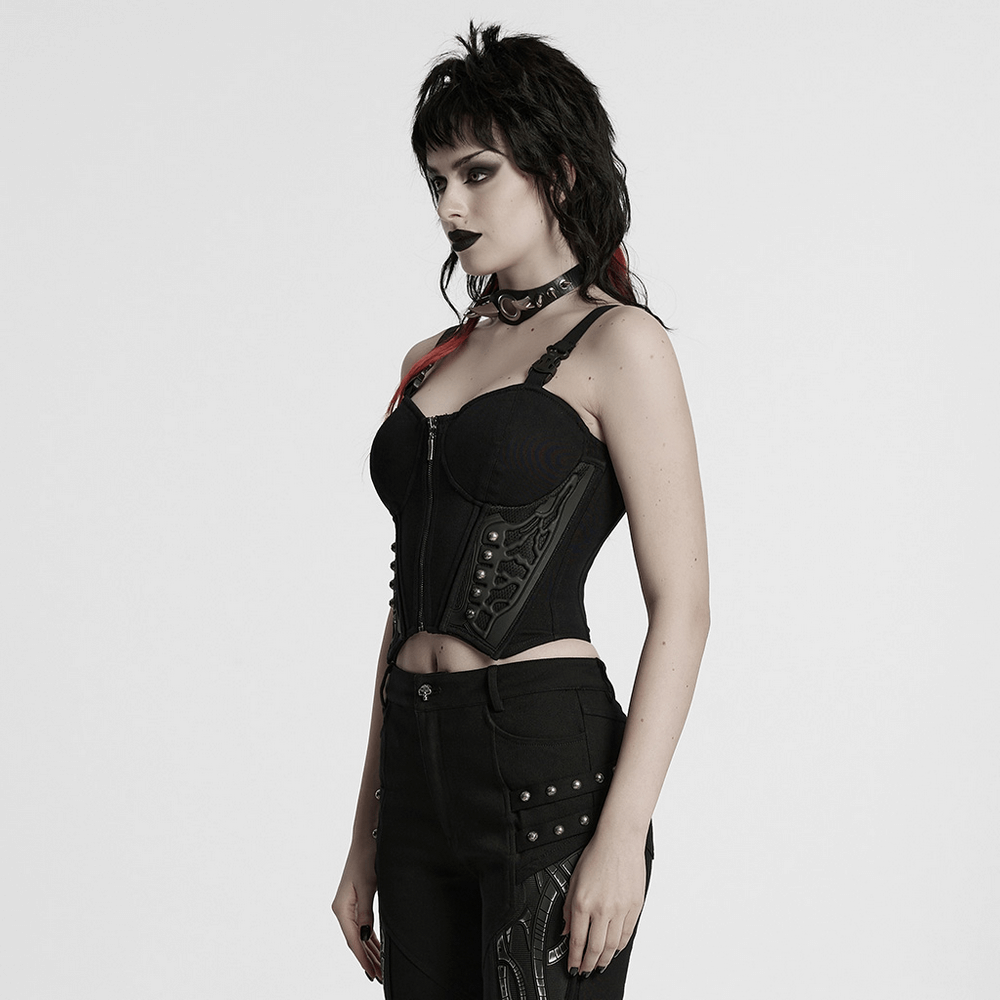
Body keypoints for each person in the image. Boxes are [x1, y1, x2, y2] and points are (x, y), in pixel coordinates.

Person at [332, 23, 709, 999]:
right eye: (436, 181)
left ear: (561, 171)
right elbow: (405, 604)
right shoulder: (430, 359)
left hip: (546, 771)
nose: (449, 205)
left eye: (477, 173)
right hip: (417, 775)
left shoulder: (620, 344)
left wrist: (622, 833)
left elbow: (683, 604)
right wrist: (364, 834)